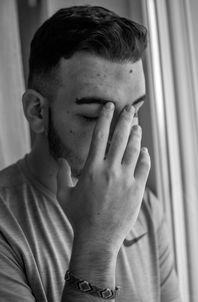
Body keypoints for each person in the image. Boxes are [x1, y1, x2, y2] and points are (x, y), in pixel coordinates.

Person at [0, 5, 181, 302]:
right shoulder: (6, 226)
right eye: (96, 116)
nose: (120, 137)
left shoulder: (145, 207)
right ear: (37, 112)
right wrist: (98, 244)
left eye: (133, 111)